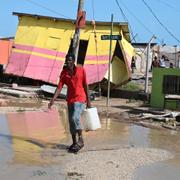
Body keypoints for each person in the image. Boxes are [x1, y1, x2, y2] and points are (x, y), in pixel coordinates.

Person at [48, 53, 91, 153]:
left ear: (74, 61)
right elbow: (59, 87)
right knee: (71, 122)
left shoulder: (81, 70)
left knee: (75, 117)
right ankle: (74, 143)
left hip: (80, 99)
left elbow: (86, 85)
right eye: (67, 60)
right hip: (70, 100)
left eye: (70, 60)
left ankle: (81, 139)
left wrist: (89, 101)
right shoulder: (64, 73)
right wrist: (52, 100)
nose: (68, 62)